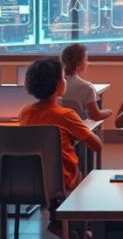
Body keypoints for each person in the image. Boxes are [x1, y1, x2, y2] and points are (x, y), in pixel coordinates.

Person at [18, 57, 103, 193]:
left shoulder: (25, 112)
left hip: (31, 178)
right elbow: (97, 146)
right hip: (61, 180)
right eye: (64, 77)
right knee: (79, 174)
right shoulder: (66, 115)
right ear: (59, 85)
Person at [59, 43, 112, 121]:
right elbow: (95, 116)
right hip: (78, 126)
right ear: (78, 65)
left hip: (57, 125)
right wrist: (109, 112)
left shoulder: (54, 84)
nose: (87, 63)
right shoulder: (86, 87)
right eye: (86, 60)